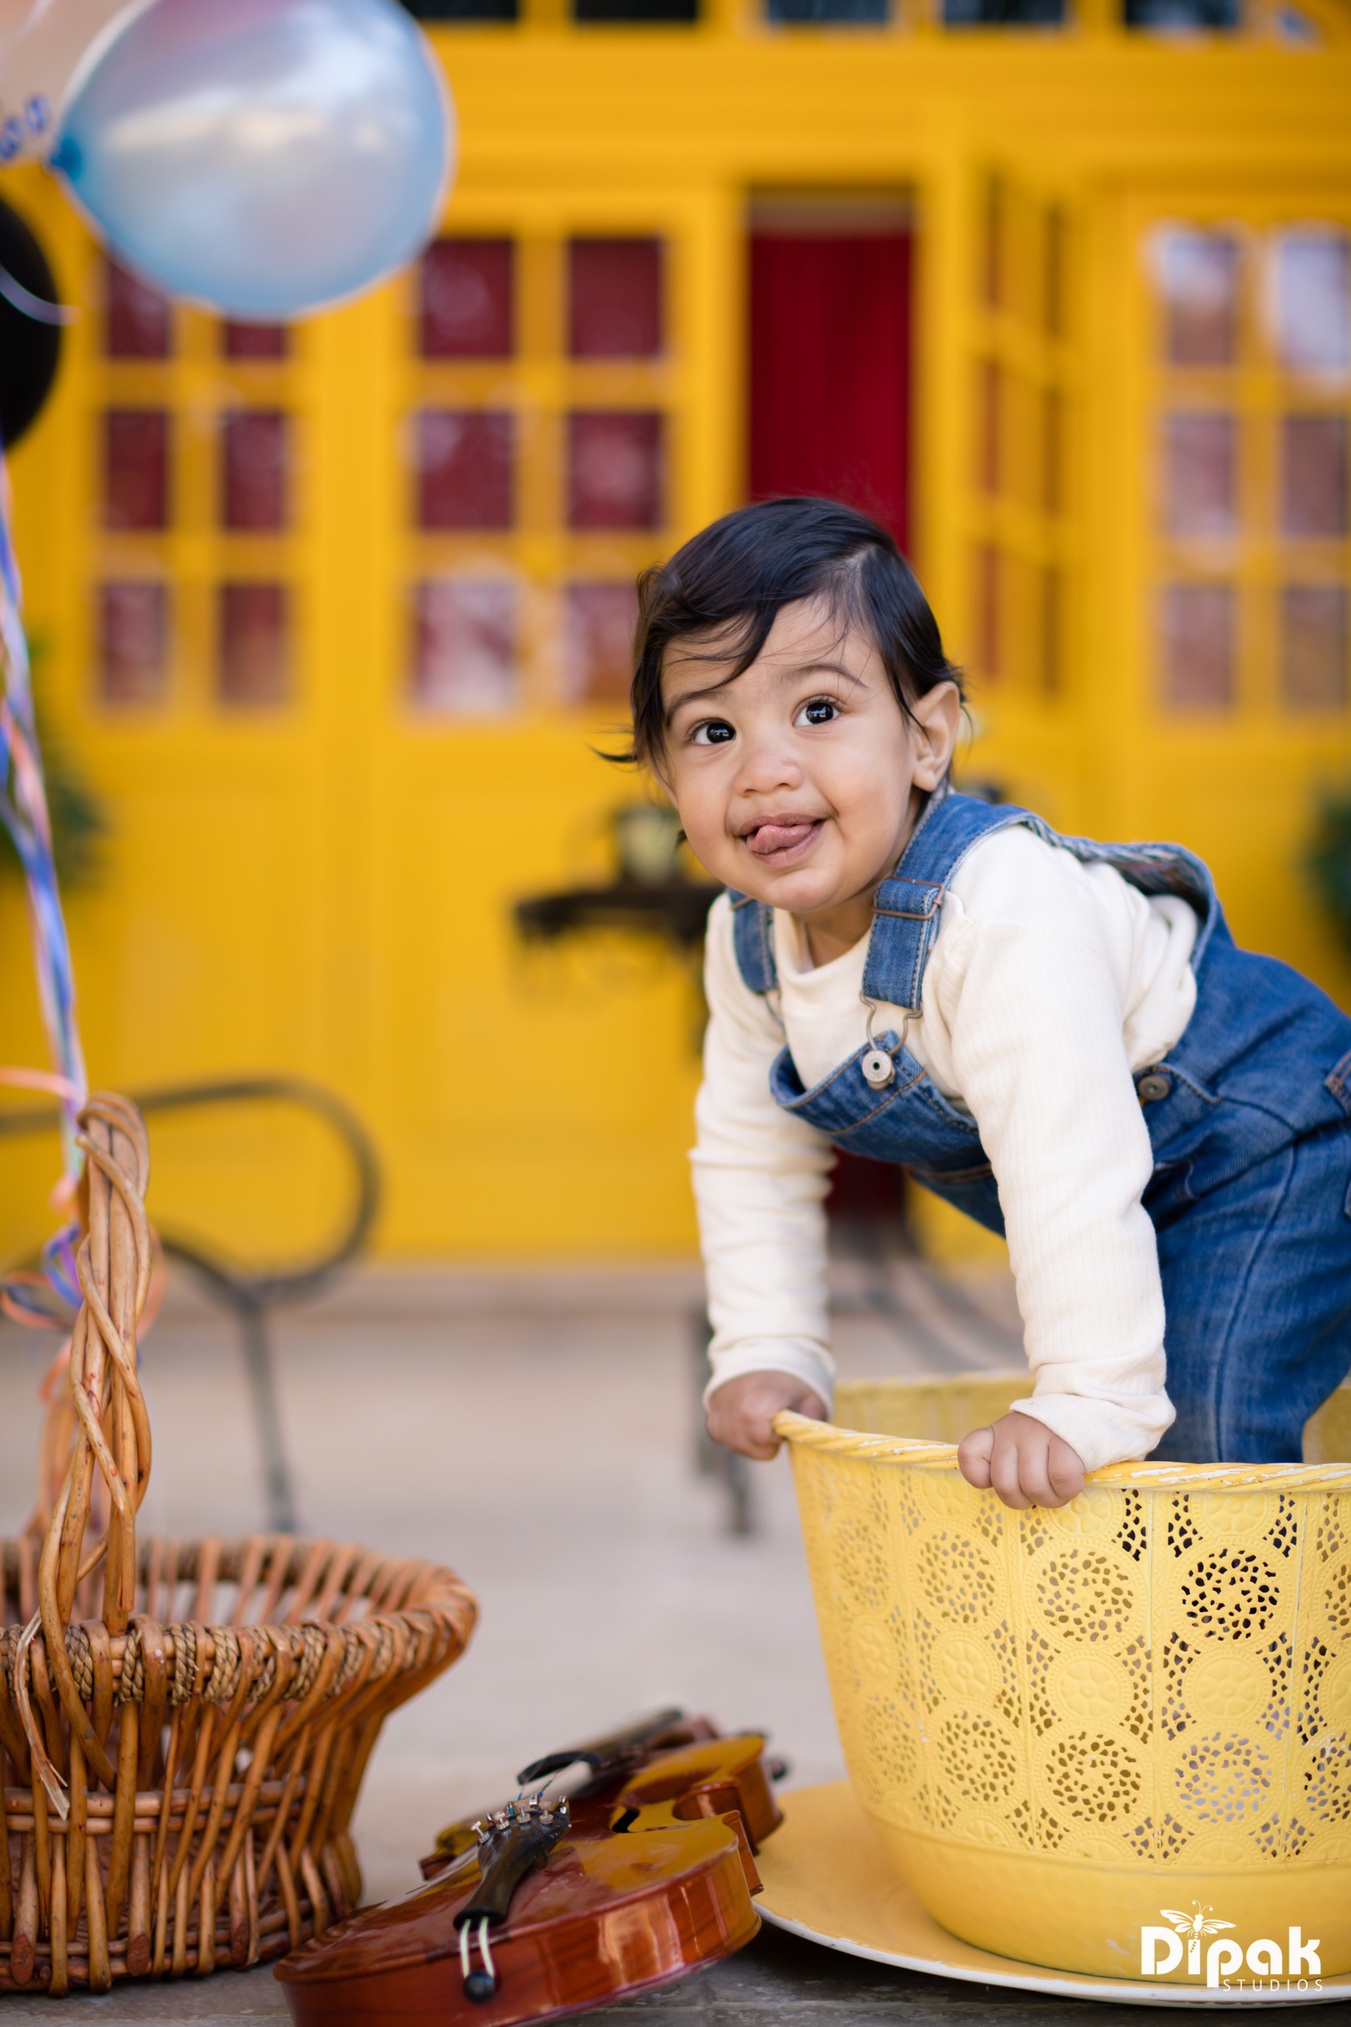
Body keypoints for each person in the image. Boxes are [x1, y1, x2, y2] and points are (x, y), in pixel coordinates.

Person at [626, 496, 1351, 1510]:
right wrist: (767, 1342)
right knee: (1124, 1460)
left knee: (1202, 1446)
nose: (764, 769)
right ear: (665, 779)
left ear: (928, 738)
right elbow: (751, 1149)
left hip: (1268, 1141)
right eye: (711, 730)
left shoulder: (999, 910)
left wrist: (1089, 1392)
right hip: (1129, 1183)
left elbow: (1068, 1159)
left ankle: (1235, 1670)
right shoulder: (745, 944)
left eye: (819, 712)